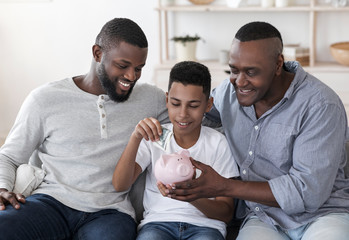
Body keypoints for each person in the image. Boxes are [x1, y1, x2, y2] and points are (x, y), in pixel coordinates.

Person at [166, 22, 349, 240]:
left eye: (251, 72)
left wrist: (224, 186)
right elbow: (189, 112)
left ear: (278, 64)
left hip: (322, 215)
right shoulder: (228, 93)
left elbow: (308, 192)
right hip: (263, 216)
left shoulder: (321, 105)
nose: (240, 81)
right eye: (234, 70)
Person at [0, 18, 169, 239]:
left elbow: (191, 121)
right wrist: (2, 187)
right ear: (97, 53)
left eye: (139, 69)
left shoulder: (152, 99)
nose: (131, 76)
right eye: (122, 65)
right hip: (51, 201)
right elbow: (10, 156)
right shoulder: (45, 99)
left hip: (111, 211)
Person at [112, 61, 240, 240]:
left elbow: (226, 213)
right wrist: (135, 138)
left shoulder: (218, 143)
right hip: (158, 224)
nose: (183, 114)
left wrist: (191, 196)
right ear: (167, 100)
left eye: (193, 105)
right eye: (175, 103)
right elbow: (120, 184)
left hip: (205, 227)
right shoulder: (154, 137)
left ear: (208, 105)